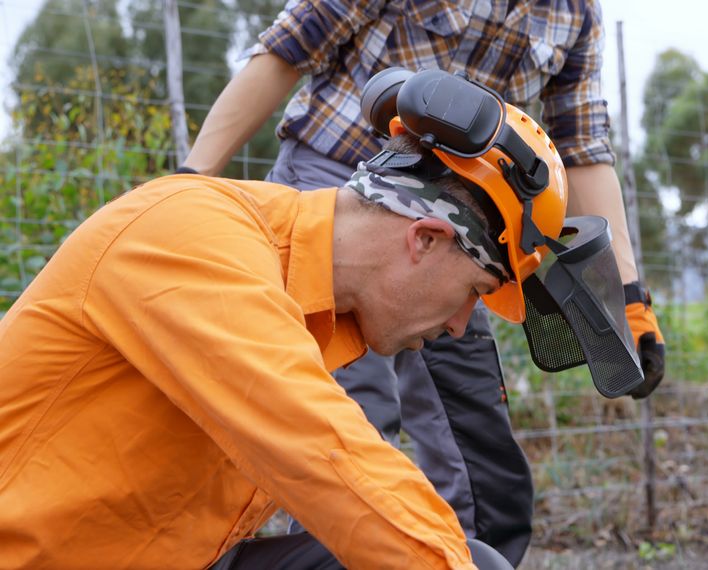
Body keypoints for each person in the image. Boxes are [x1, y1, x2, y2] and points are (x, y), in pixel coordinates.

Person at [0, 70, 634, 568]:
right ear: (427, 239)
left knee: (470, 559)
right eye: (475, 291)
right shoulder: (190, 238)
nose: (461, 327)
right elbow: (328, 460)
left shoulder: (321, 310)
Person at [182, 1, 667, 564]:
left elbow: (582, 145)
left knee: (484, 461)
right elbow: (289, 48)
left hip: (463, 226)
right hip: (341, 189)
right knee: (347, 429)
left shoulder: (574, 13)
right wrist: (193, 178)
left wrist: (629, 297)